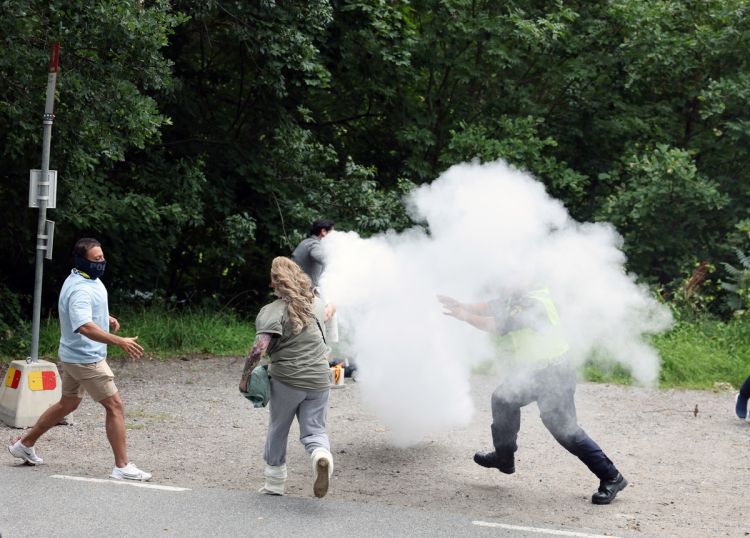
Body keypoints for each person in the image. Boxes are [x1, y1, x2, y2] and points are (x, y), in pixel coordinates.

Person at [438, 287, 627, 505]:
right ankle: (504, 457)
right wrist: (463, 304)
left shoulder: (534, 303)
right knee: (503, 399)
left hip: (554, 375)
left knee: (566, 432)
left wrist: (464, 316)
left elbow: (497, 325)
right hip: (534, 373)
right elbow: (493, 305)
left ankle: (612, 477)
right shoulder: (519, 295)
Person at [7, 238, 150, 481]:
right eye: (96, 259)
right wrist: (120, 341)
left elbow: (86, 314)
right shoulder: (80, 289)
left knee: (67, 404)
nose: (101, 262)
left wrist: (105, 317)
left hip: (74, 355)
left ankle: (25, 444)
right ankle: (122, 466)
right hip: (86, 359)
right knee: (114, 406)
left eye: (102, 257)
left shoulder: (82, 278)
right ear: (82, 261)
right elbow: (83, 326)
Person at [239, 256, 334, 498]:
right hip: (321, 380)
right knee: (314, 430)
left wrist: (245, 378)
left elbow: (258, 349)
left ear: (274, 283)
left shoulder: (272, 312)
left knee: (278, 428)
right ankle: (321, 456)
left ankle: (274, 483)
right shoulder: (317, 305)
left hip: (288, 380)